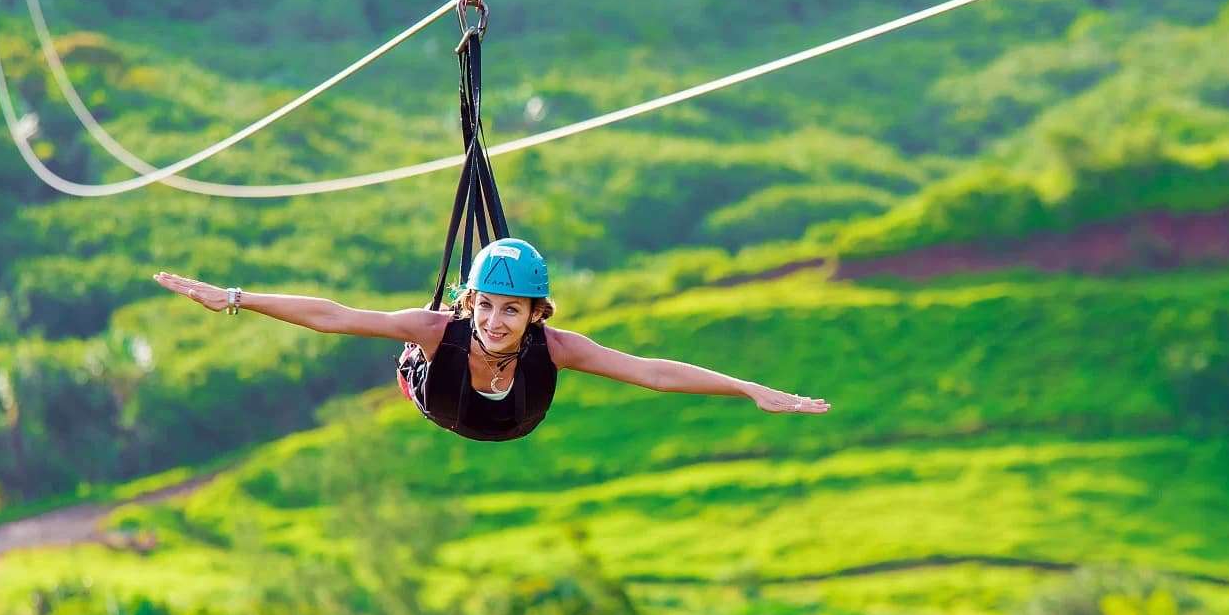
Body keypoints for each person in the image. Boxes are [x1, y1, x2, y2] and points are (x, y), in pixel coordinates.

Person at [151, 237, 830, 441]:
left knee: (559, 361)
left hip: (512, 415)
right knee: (415, 338)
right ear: (470, 301)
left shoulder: (555, 347)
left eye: (513, 310)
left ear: (537, 313)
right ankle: (410, 368)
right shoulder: (439, 330)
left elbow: (651, 371)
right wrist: (236, 298)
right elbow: (336, 316)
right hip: (437, 393)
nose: (497, 320)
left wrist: (747, 389)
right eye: (487, 306)